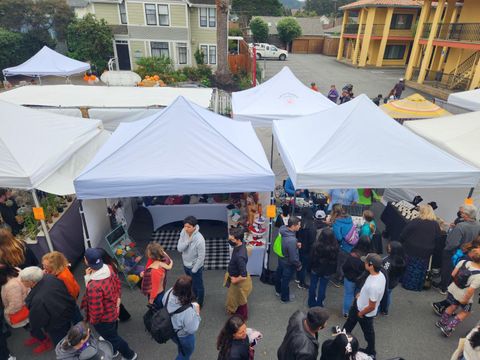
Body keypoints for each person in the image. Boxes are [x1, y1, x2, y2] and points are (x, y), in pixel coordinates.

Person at [81, 248, 137, 360]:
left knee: (113, 338)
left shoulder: (93, 286)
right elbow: (118, 286)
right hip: (113, 310)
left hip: (104, 319)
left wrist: (93, 322)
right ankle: (114, 350)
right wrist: (118, 300)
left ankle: (130, 355)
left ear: (86, 261)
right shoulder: (109, 268)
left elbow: (96, 311)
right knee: (112, 333)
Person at [20, 266, 75, 354]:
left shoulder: (37, 299)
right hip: (66, 311)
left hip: (56, 323)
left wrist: (34, 328)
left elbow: (39, 319)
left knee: (60, 343)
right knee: (67, 333)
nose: (21, 282)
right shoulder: (50, 277)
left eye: (23, 280)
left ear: (31, 282)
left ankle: (67, 353)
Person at [343, 253, 386, 358]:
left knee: (368, 332)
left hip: (364, 312)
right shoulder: (380, 275)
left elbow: (372, 305)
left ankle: (371, 351)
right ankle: (341, 338)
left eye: (366, 262)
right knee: (349, 322)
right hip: (359, 305)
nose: (364, 263)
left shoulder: (374, 286)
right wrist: (360, 294)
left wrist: (361, 313)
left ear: (371, 265)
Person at [435, 204, 480, 295]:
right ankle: (450, 285)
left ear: (466, 215)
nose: (460, 213)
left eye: (462, 212)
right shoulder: (477, 224)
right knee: (458, 270)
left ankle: (443, 288)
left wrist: (446, 249)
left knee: (447, 269)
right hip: (467, 251)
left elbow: (453, 243)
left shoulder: (461, 226)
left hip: (454, 251)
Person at [436, 249, 480, 337]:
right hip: (464, 294)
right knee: (465, 312)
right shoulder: (478, 275)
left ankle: (442, 322)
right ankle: (448, 328)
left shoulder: (463, 262)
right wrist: (466, 300)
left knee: (452, 305)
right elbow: (471, 290)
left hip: (453, 288)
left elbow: (453, 274)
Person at [433, 236, 480, 315]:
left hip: (458, 277)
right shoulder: (475, 253)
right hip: (463, 281)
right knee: (456, 298)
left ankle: (445, 308)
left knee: (454, 297)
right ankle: (440, 306)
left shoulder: (470, 248)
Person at [399, 204, 441, 291]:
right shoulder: (435, 225)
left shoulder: (415, 221)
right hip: (426, 252)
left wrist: (401, 243)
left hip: (411, 249)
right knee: (420, 269)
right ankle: (416, 286)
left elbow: (404, 234)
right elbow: (438, 240)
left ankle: (406, 283)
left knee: (409, 267)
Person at [163, 275, 201, 360]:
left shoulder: (169, 292)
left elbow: (163, 303)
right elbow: (191, 329)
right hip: (183, 335)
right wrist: (197, 313)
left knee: (181, 348)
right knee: (185, 354)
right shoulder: (187, 310)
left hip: (171, 330)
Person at [42, 251, 82, 323]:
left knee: (75, 314)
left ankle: (80, 324)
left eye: (46, 266)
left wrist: (71, 302)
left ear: (54, 266)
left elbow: (72, 292)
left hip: (70, 299)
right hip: (67, 297)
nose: (44, 268)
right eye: (43, 265)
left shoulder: (63, 277)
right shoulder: (58, 270)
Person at [177, 216, 206, 308]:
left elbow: (201, 257)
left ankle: (199, 303)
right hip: (186, 264)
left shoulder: (200, 239)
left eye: (189, 227)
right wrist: (187, 242)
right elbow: (179, 248)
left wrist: (194, 270)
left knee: (199, 286)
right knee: (190, 284)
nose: (186, 229)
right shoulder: (183, 232)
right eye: (185, 226)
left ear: (194, 227)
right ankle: (194, 297)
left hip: (195, 267)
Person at [225, 227, 252, 320]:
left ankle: (243, 316)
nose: (229, 240)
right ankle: (234, 310)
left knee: (241, 299)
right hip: (234, 275)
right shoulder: (239, 245)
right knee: (235, 297)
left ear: (238, 240)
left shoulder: (240, 256)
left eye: (231, 239)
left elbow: (243, 275)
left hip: (238, 279)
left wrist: (236, 279)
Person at [342, 236, 372, 318]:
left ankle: (346, 312)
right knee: (358, 296)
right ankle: (356, 311)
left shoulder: (353, 254)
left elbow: (345, 266)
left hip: (349, 278)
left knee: (348, 294)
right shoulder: (370, 257)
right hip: (362, 280)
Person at [308, 228, 339, 307]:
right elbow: (335, 260)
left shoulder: (315, 245)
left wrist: (309, 267)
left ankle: (311, 302)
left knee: (313, 285)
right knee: (323, 287)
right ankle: (319, 303)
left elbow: (311, 258)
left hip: (315, 268)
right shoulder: (335, 247)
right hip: (327, 270)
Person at [275, 216, 302, 303]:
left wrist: (295, 245)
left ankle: (278, 291)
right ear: (293, 226)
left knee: (279, 275)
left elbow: (285, 244)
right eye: (299, 225)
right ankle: (285, 298)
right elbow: (293, 258)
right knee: (285, 280)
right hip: (288, 262)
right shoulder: (291, 240)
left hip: (281, 258)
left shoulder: (282, 229)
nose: (300, 226)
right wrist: (299, 265)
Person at [141, 242, 173, 309]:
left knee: (157, 310)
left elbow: (155, 288)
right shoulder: (162, 257)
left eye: (148, 253)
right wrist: (145, 272)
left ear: (153, 256)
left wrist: (151, 300)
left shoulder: (155, 270)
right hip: (161, 290)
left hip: (157, 295)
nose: (147, 253)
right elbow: (170, 261)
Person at [379, 241, 406, 315]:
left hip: (386, 282)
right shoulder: (402, 260)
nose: (388, 247)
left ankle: (379, 310)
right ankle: (385, 310)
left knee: (381, 297)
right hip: (394, 282)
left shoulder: (388, 261)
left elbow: (384, 272)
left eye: (389, 247)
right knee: (388, 295)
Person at [331, 207, 355, 287]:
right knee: (346, 262)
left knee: (340, 264)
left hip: (344, 246)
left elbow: (339, 237)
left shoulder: (337, 223)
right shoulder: (349, 220)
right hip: (352, 245)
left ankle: (339, 280)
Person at [296, 208, 316, 290]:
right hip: (307, 249)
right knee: (303, 266)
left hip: (300, 247)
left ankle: (298, 278)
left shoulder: (300, 223)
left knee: (299, 263)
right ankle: (302, 283)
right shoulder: (311, 226)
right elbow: (312, 240)